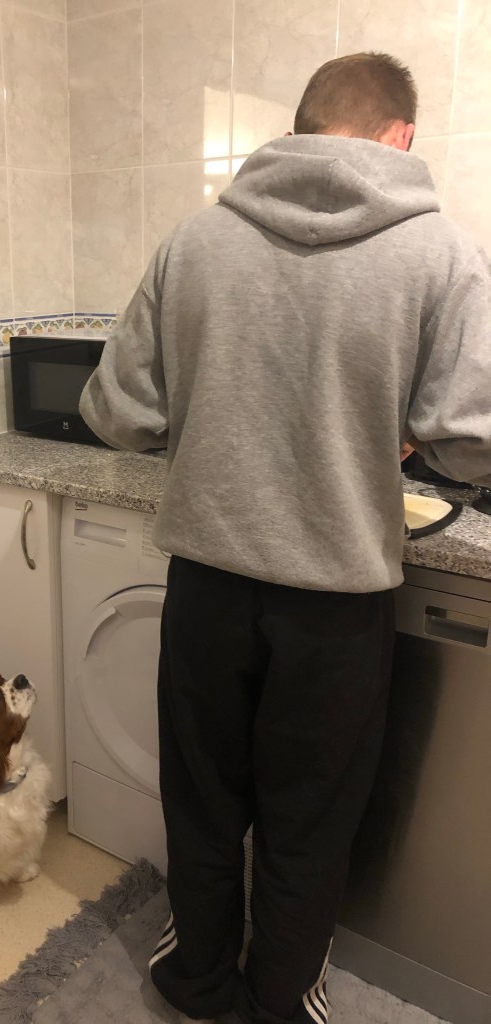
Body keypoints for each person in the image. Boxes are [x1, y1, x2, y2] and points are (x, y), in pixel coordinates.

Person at [79, 52, 491, 1024]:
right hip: (336, 607)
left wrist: (218, 401)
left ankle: (195, 979)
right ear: (399, 136)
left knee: (204, 801)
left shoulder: (194, 241)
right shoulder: (441, 253)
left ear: (299, 126)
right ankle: (277, 998)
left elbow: (114, 414)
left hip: (208, 594)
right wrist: (393, 425)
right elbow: (477, 447)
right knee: (311, 823)